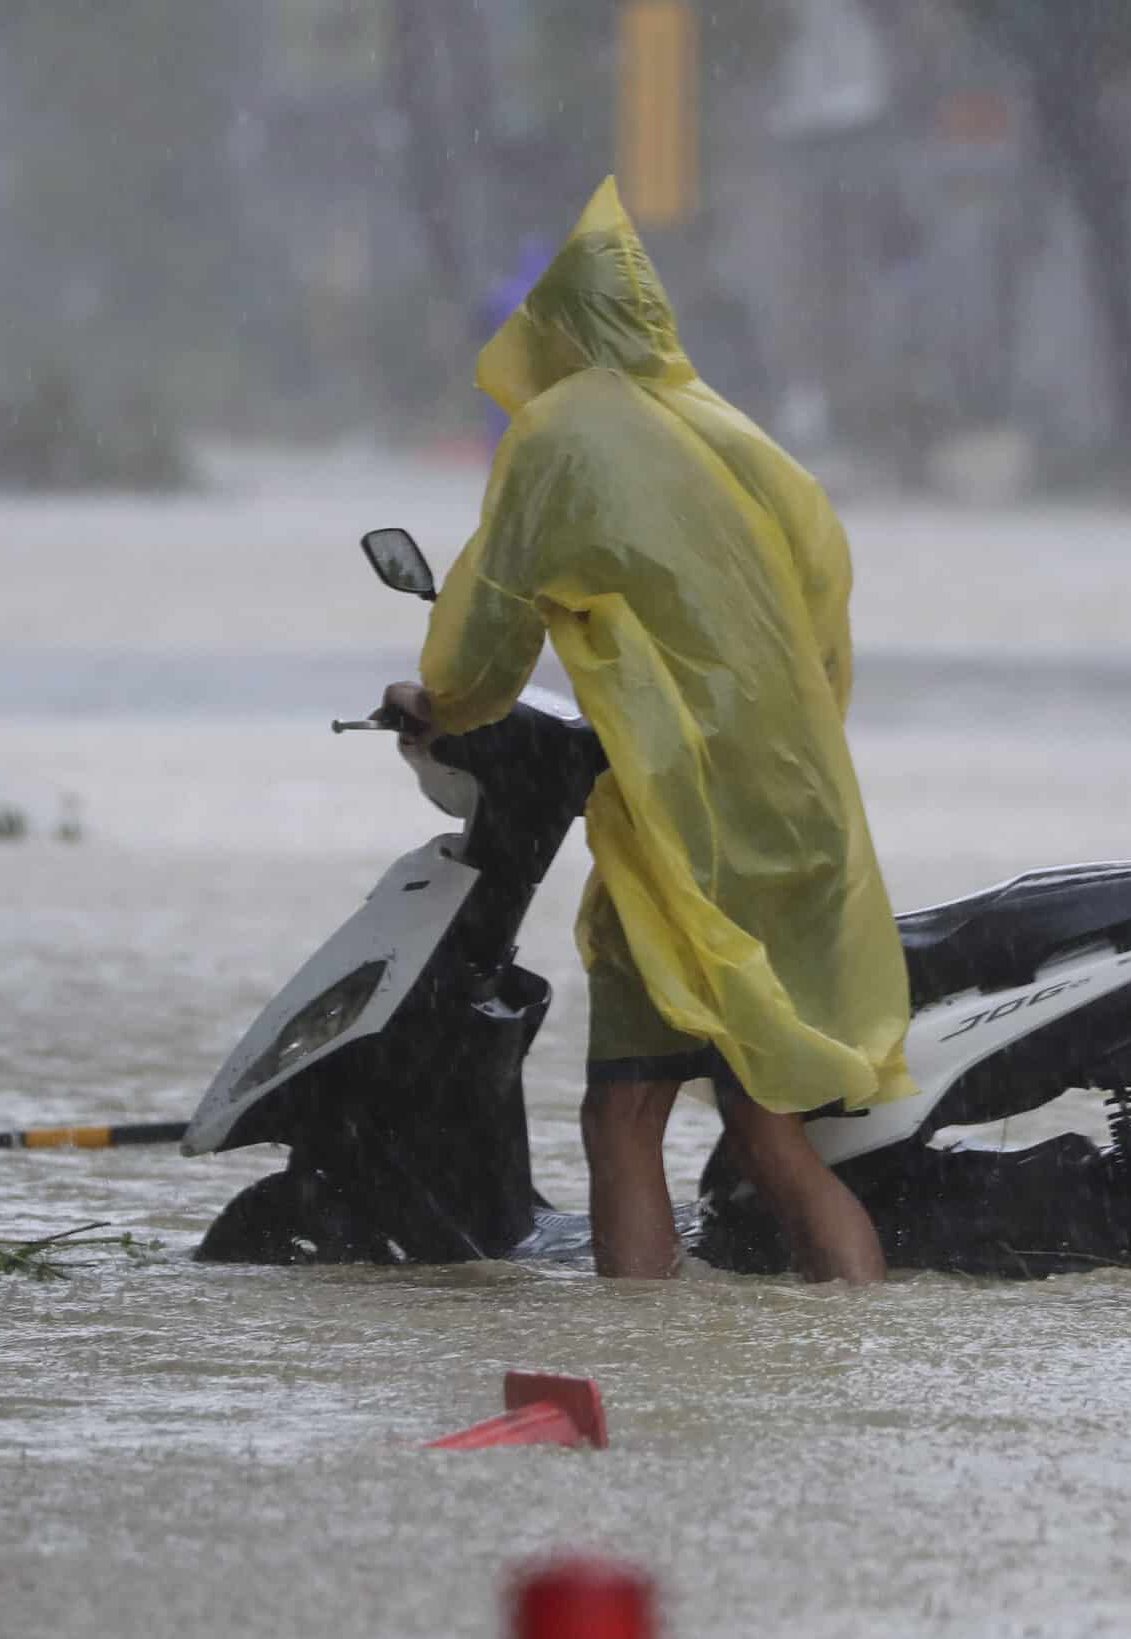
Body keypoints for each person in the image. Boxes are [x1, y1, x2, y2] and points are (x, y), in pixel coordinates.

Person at [382, 179, 911, 1285]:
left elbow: (487, 637)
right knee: (771, 1132)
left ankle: (639, 1371)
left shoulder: (562, 437)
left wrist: (437, 707)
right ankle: (863, 1349)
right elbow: (824, 622)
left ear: (556, 332)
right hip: (802, 810)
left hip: (685, 825)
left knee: (622, 1119)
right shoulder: (736, 436)